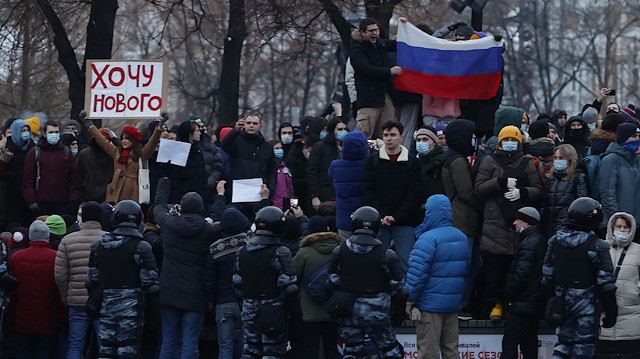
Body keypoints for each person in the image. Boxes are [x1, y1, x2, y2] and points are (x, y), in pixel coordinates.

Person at [474, 125, 542, 320]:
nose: (510, 143)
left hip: (520, 228)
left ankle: (511, 308)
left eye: (514, 140)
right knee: (493, 276)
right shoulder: (489, 161)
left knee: (517, 276)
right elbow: (478, 189)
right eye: (507, 140)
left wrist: (523, 192)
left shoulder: (527, 163)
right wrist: (500, 183)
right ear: (500, 142)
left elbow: (538, 190)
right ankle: (491, 309)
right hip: (495, 227)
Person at [542, 197, 617, 359]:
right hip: (587, 311)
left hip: (562, 306)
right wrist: (611, 312)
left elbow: (546, 277)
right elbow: (607, 285)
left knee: (562, 347)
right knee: (584, 349)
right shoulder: (596, 245)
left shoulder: (555, 242)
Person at [327, 206, 405, 358]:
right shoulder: (386, 253)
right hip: (376, 313)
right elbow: (398, 287)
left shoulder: (340, 251)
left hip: (348, 311)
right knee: (392, 352)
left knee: (351, 351)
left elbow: (331, 282)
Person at [86, 200, 159, 358]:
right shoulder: (141, 247)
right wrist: (154, 316)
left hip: (106, 305)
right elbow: (151, 284)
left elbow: (91, 280)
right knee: (127, 350)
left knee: (106, 349)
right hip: (132, 308)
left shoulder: (98, 246)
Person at [154, 178, 214, 359]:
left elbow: (158, 206)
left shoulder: (169, 224)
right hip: (195, 294)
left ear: (182, 207)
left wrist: (164, 181)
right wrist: (219, 196)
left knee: (169, 340)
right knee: (190, 342)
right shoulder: (208, 230)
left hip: (169, 291)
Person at [405, 195, 470, 359]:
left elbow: (417, 275)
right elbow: (466, 269)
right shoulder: (462, 237)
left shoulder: (427, 239)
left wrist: (409, 300)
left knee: (428, 353)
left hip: (429, 306)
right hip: (452, 305)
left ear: (430, 213)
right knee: (452, 352)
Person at [233, 206, 298, 358]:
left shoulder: (242, 252)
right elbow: (290, 288)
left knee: (250, 350)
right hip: (274, 312)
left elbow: (237, 285)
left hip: (249, 310)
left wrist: (248, 305)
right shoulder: (280, 252)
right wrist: (294, 315)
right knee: (272, 352)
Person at [362, 121, 422, 272]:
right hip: (379, 220)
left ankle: (404, 294)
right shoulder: (373, 161)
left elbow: (414, 193)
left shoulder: (412, 162)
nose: (389, 139)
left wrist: (396, 216)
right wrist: (382, 215)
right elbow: (368, 190)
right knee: (376, 263)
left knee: (406, 262)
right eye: (386, 135)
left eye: (393, 135)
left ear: (401, 137)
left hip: (404, 221)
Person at [441, 119, 483, 318]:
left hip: (458, 218)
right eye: (471, 135)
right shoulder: (458, 161)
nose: (474, 139)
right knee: (465, 265)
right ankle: (459, 305)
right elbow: (466, 192)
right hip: (463, 221)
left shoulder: (449, 158)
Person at [54, 202, 105, 359]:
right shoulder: (108, 239)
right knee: (104, 344)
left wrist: (66, 297)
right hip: (102, 301)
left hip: (76, 301)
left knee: (75, 344)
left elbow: (60, 275)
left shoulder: (68, 241)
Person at [10, 220, 63, 359]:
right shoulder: (56, 257)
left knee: (23, 353)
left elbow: (12, 291)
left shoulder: (16, 258)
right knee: (44, 353)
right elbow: (59, 290)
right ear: (48, 237)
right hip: (48, 316)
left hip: (22, 317)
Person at [205, 208, 252, 359]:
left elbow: (209, 280)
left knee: (224, 347)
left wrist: (214, 299)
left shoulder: (215, 248)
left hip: (223, 302)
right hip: (246, 301)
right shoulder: (250, 244)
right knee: (248, 347)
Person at [292, 216, 341, 359]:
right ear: (327, 230)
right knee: (332, 349)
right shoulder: (339, 251)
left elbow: (292, 275)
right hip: (333, 309)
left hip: (309, 312)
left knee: (310, 350)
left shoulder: (304, 252)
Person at [501, 207, 546, 359]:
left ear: (527, 222)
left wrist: (508, 294)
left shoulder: (529, 243)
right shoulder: (538, 240)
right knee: (529, 344)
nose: (514, 223)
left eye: (518, 219)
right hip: (533, 303)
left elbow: (521, 275)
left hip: (522, 304)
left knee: (510, 343)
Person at [596, 212, 640, 358]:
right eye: (618, 226)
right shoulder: (600, 248)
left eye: (626, 227)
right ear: (611, 227)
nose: (622, 230)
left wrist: (635, 290)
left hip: (631, 323)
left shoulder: (638, 250)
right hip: (603, 324)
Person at [350, 17, 402, 139]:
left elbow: (396, 44)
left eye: (376, 30)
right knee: (363, 133)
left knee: (390, 132)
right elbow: (365, 68)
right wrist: (388, 71)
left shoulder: (380, 43)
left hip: (383, 96)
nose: (375, 33)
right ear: (362, 33)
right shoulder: (357, 49)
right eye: (371, 31)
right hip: (368, 99)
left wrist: (405, 28)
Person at [86, 122, 163, 203]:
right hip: (115, 191)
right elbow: (102, 141)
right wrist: (89, 125)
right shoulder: (117, 152)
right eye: (122, 138)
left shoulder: (142, 154)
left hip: (133, 192)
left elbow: (153, 142)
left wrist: (160, 125)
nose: (123, 141)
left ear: (133, 140)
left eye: (127, 138)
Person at [220, 114, 277, 219]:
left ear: (260, 127)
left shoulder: (267, 147)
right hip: (239, 195)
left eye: (255, 123)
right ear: (244, 125)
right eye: (249, 123)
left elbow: (272, 170)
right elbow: (224, 146)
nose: (251, 126)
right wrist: (235, 130)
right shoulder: (236, 141)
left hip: (259, 195)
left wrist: (270, 190)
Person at [22, 120, 79, 217]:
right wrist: (31, 200)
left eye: (56, 132)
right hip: (40, 203)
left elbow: (73, 178)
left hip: (62, 203)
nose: (54, 135)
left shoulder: (66, 152)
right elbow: (28, 179)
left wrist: (73, 199)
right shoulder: (35, 152)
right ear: (44, 134)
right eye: (51, 132)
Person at [598, 123, 640, 236]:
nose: (637, 139)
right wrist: (618, 219)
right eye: (634, 136)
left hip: (636, 224)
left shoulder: (637, 160)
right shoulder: (610, 161)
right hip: (619, 226)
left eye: (638, 136)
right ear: (624, 138)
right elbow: (607, 194)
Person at [540, 144, 589, 238]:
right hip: (548, 226)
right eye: (555, 158)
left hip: (566, 228)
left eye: (561, 158)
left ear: (570, 159)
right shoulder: (551, 178)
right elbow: (544, 203)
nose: (557, 161)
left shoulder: (578, 177)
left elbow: (581, 204)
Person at [327, 131, 368, 240]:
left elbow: (330, 176)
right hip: (366, 217)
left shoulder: (335, 166)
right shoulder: (370, 164)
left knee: (346, 251)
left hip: (344, 218)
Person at [307, 115, 349, 211]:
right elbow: (312, 172)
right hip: (326, 193)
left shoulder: (350, 147)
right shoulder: (321, 147)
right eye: (340, 129)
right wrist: (315, 195)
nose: (343, 132)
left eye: (345, 129)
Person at [1, 119, 35, 226]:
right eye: (22, 130)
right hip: (12, 192)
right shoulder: (8, 148)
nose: (25, 133)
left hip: (29, 192)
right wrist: (16, 176)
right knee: (14, 223)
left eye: (26, 130)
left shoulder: (32, 147)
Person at [76, 127, 118, 203]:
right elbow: (78, 178)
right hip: (88, 198)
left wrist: (115, 140)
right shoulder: (84, 155)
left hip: (107, 198)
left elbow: (126, 153)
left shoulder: (113, 156)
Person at [415, 127, 446, 203]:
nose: (421, 143)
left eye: (425, 139)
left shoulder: (442, 160)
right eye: (418, 140)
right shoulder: (414, 161)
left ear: (434, 142)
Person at [269, 139, 294, 211]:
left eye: (281, 148)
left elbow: (291, 190)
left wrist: (294, 207)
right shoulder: (269, 168)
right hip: (274, 207)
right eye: (277, 148)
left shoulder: (285, 168)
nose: (280, 150)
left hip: (287, 207)